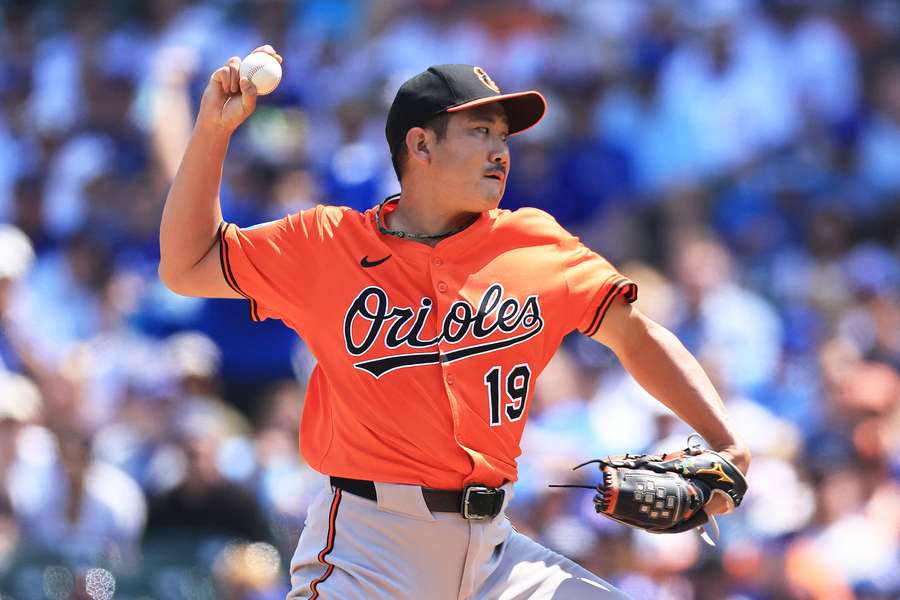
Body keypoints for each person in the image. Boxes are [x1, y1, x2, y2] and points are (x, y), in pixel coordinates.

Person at [158, 45, 750, 599]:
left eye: (503, 135)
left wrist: (723, 439)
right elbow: (187, 264)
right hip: (369, 551)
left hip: (495, 553)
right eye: (480, 130)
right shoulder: (326, 243)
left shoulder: (535, 243)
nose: (501, 150)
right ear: (420, 145)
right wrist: (213, 130)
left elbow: (636, 335)